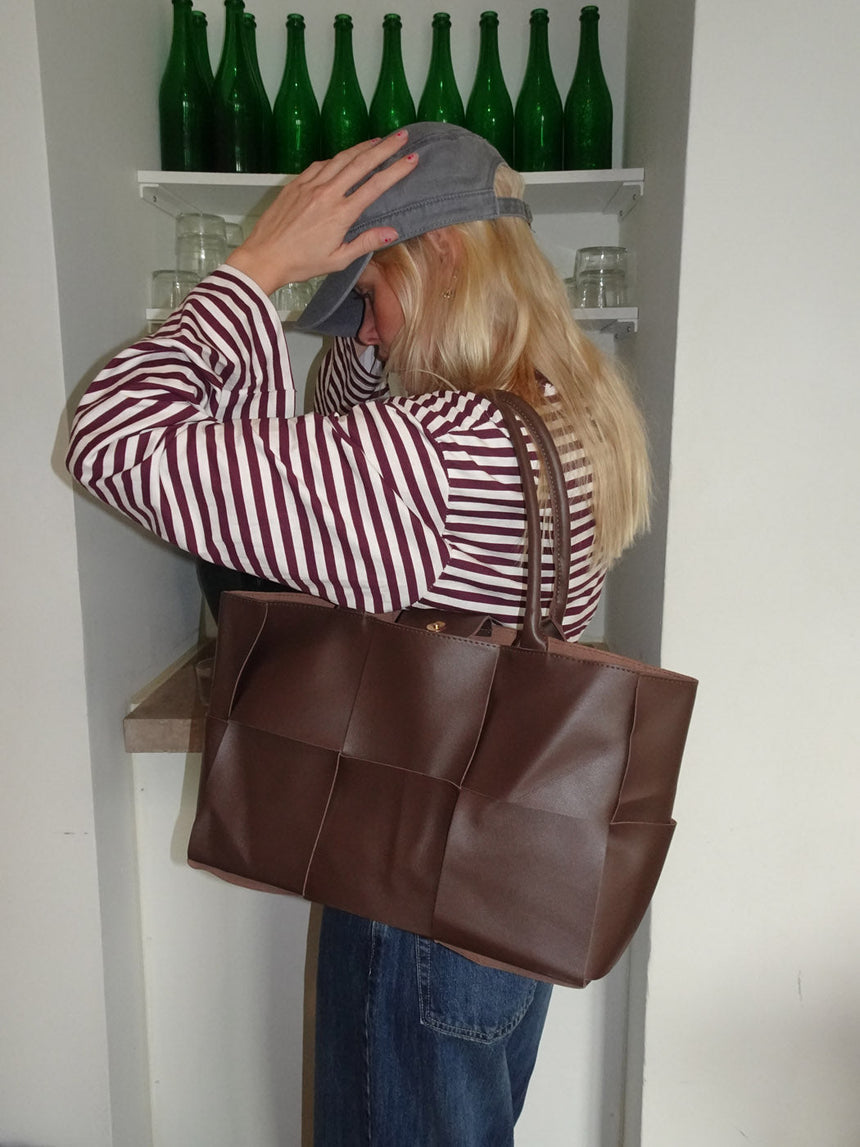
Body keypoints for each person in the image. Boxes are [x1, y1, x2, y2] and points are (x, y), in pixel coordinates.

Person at [67, 123, 650, 1146]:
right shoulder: (560, 416)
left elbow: (111, 437)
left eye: (370, 299)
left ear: (441, 257)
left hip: (415, 898)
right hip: (508, 884)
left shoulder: (434, 455)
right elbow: (331, 417)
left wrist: (254, 270)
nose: (365, 333)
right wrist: (363, 304)